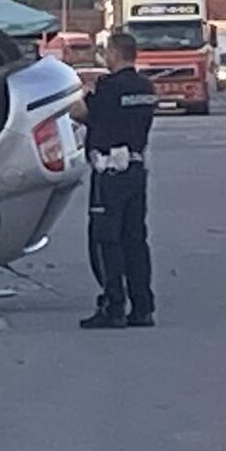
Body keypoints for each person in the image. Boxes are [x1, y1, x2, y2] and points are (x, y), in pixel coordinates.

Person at [71, 32, 157, 330]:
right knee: (135, 240)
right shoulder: (146, 87)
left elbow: (81, 112)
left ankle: (113, 305)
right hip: (136, 167)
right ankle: (142, 307)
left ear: (116, 54)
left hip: (110, 172)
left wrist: (82, 93)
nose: (105, 57)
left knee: (106, 239)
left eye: (107, 52)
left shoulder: (108, 88)